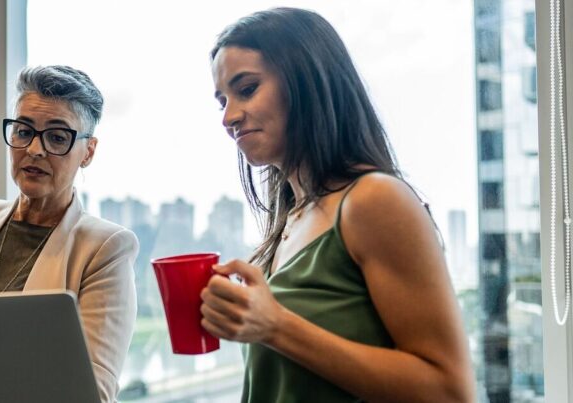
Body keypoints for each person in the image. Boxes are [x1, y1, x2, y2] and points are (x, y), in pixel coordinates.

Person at [201, 7, 475, 402]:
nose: (229, 117)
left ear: (307, 82)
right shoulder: (291, 219)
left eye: (246, 89)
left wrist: (275, 326)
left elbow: (450, 392)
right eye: (221, 100)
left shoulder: (374, 200)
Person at [0, 65, 137, 403]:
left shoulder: (105, 248)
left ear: (88, 152)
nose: (35, 149)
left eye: (57, 137)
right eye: (23, 131)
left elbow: (94, 393)